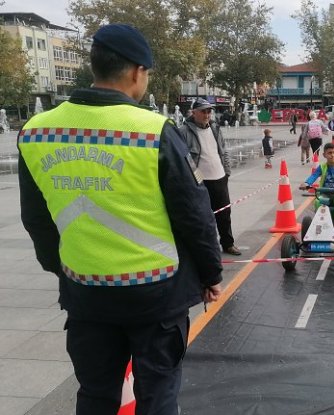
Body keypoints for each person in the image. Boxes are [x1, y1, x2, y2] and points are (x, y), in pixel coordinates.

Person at [17, 24, 223, 415]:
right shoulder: (152, 130)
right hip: (155, 294)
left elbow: (36, 218)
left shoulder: (35, 131)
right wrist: (211, 274)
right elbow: (193, 214)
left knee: (95, 393)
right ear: (136, 72)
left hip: (85, 292)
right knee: (157, 393)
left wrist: (59, 268)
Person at [179, 97, 241, 256]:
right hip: (201, 181)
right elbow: (184, 157)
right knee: (203, 217)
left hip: (220, 178)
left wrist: (227, 171)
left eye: (209, 111)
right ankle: (206, 248)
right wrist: (195, 177)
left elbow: (223, 150)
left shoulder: (215, 128)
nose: (207, 115)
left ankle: (228, 244)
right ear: (194, 113)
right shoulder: (184, 131)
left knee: (224, 215)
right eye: (203, 111)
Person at [299, 142, 334, 235]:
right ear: (324, 155)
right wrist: (306, 183)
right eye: (330, 153)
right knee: (318, 201)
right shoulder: (322, 167)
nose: (333, 155)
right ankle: (321, 223)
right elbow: (314, 176)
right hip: (325, 193)